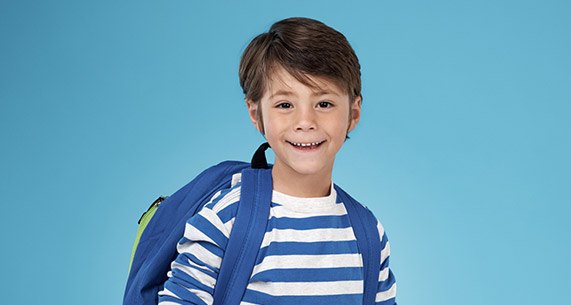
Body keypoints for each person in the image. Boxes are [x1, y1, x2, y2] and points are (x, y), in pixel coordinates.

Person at [158, 17, 397, 305]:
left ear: (353, 113)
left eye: (324, 104)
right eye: (285, 105)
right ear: (256, 114)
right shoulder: (227, 219)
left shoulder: (368, 233)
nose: (305, 122)